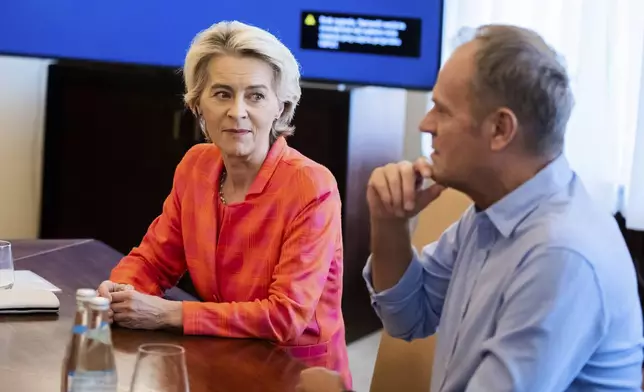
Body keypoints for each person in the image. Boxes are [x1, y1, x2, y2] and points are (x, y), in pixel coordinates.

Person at [297, 24, 644, 392]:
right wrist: (389, 221)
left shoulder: (561, 254)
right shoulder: (495, 210)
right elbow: (407, 318)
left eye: (442, 111)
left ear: (500, 129)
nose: (425, 124)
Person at [96, 20, 352, 388]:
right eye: (221, 94)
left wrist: (170, 314)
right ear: (197, 103)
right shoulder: (195, 166)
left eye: (256, 95)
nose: (237, 111)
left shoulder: (311, 186)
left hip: (295, 376)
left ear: (281, 107)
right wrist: (121, 292)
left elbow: (285, 317)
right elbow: (154, 260)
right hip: (218, 358)